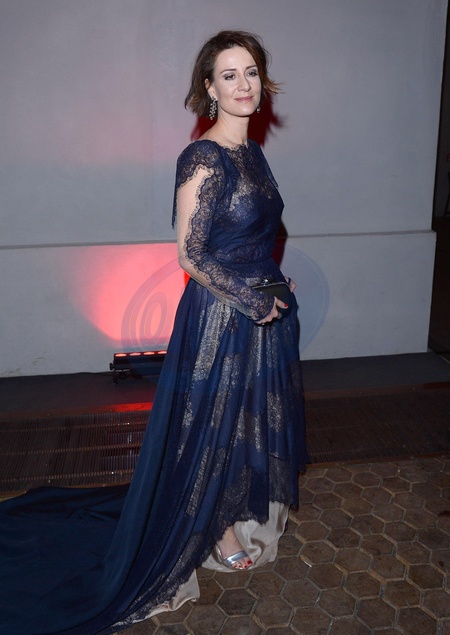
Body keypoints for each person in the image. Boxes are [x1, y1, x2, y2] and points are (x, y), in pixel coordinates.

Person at [0, 30, 308, 634]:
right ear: (208, 87)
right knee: (211, 423)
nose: (243, 85)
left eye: (250, 72)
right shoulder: (203, 157)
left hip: (258, 315)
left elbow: (248, 236)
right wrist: (251, 297)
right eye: (229, 75)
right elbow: (191, 254)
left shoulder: (252, 152)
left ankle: (229, 507)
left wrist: (273, 281)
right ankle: (214, 528)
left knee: (244, 418)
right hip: (220, 317)